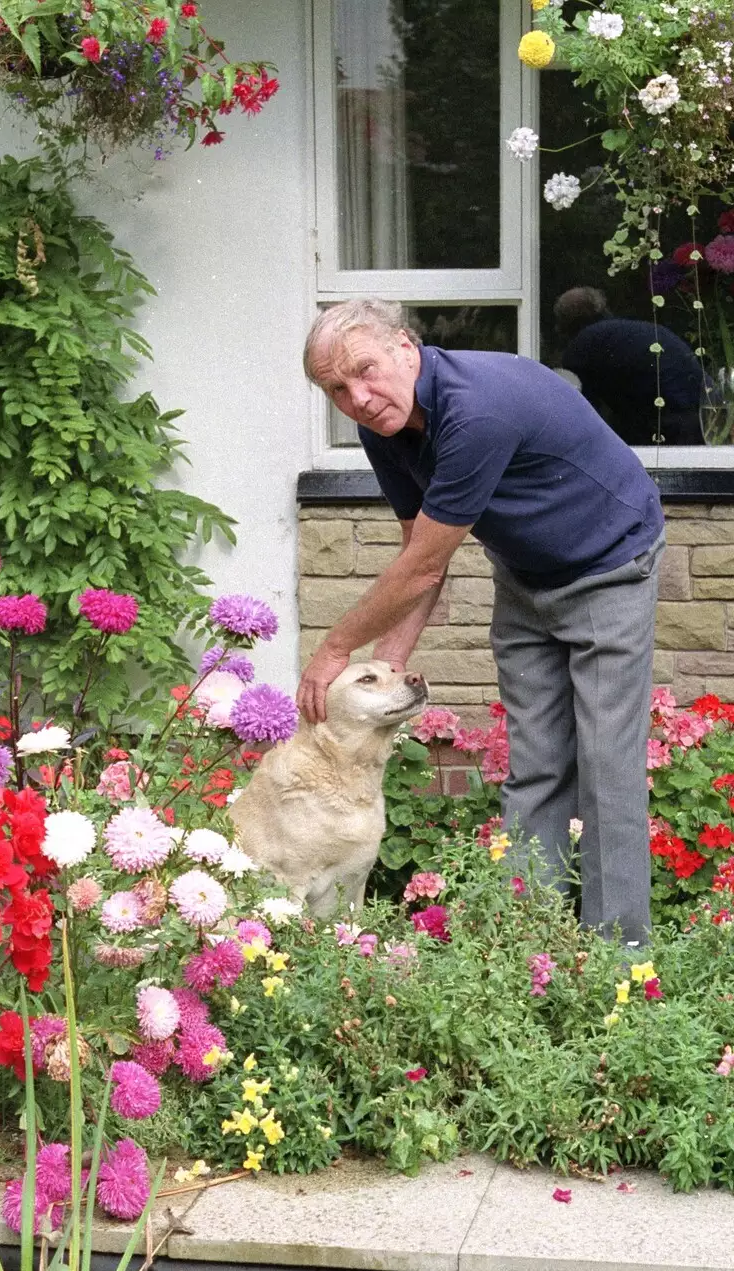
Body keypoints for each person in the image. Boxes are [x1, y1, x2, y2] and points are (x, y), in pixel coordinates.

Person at [298, 298, 665, 943]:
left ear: (406, 347)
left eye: (366, 369)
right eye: (337, 388)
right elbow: (424, 563)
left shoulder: (477, 411)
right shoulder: (384, 428)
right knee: (536, 768)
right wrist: (387, 670)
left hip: (611, 566)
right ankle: (532, 947)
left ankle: (619, 963)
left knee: (607, 771)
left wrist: (335, 651)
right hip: (527, 577)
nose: (358, 396)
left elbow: (418, 569)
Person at [554, 286, 703, 445]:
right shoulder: (626, 332)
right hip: (696, 414)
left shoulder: (583, 345)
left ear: (565, 323)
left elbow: (580, 412)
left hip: (667, 422)